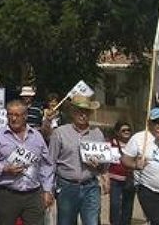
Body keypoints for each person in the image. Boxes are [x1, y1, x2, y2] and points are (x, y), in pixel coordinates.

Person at [0, 99, 55, 225]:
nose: (13, 118)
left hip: (33, 195)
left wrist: (47, 190)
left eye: (17, 115)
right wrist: (4, 169)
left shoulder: (37, 136)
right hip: (6, 194)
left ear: (25, 116)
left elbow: (46, 165)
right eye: (10, 115)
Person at [48, 95, 107, 225]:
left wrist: (100, 165)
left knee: (92, 222)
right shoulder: (60, 133)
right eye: (79, 110)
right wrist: (48, 189)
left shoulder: (97, 133)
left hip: (90, 186)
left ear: (90, 113)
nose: (83, 114)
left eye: (86, 111)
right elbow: (50, 162)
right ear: (72, 112)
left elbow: (104, 165)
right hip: (66, 186)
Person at [121, 107, 159, 225]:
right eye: (156, 121)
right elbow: (125, 160)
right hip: (147, 188)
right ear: (149, 123)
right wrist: (135, 164)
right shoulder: (139, 138)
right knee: (158, 221)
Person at [108, 121, 135, 225]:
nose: (126, 132)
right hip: (114, 180)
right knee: (115, 204)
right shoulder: (110, 143)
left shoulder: (134, 144)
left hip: (130, 179)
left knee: (128, 205)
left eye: (128, 130)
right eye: (123, 130)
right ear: (117, 131)